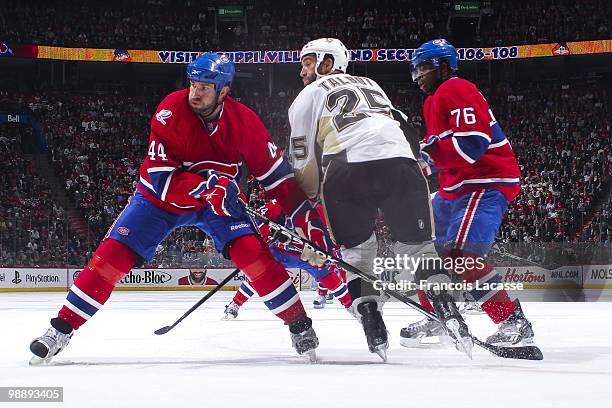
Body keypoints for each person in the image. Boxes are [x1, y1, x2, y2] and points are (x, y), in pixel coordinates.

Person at [29, 53, 330, 363]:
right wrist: (206, 188)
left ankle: (299, 325)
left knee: (253, 255)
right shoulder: (170, 111)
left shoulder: (245, 122)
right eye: (192, 84)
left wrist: (307, 221)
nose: (195, 93)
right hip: (158, 201)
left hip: (217, 204)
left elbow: (279, 179)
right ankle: (60, 330)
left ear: (224, 90)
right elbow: (161, 179)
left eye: (205, 87)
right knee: (111, 258)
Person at [288, 38, 467, 360]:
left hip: (345, 169)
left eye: (308, 62)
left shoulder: (308, 95)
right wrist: (419, 170)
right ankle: (446, 307)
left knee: (358, 255)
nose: (302, 71)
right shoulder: (371, 83)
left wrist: (311, 206)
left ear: (328, 63)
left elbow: (302, 159)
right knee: (419, 249)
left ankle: (373, 325)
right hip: (400, 161)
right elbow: (404, 125)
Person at [401, 39, 535, 348]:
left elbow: (473, 144)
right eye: (415, 69)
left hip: (484, 182)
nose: (418, 75)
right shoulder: (433, 100)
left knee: (462, 257)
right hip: (456, 187)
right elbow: (443, 156)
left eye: (423, 67)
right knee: (422, 247)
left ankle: (512, 321)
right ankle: (437, 314)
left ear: (444, 66)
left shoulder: (455, 88)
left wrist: (426, 153)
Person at [223, 199, 352, 319]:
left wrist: (329, 249)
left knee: (325, 273)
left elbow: (328, 236)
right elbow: (256, 224)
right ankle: (235, 304)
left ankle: (350, 305)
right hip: (279, 251)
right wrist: (267, 235)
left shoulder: (320, 209)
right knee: (258, 272)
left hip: (305, 253)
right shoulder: (276, 203)